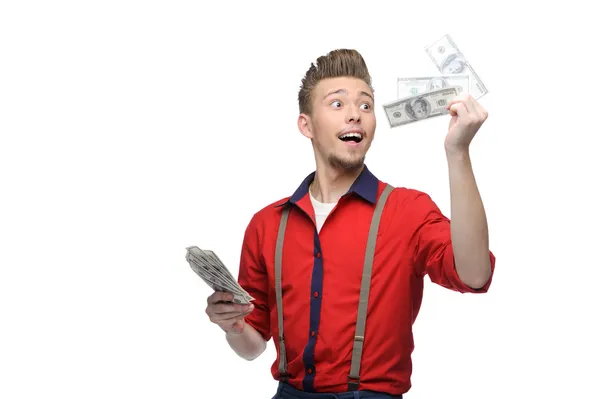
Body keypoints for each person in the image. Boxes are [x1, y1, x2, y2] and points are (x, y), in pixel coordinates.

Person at [205, 49, 496, 398]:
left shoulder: (407, 210)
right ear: (306, 125)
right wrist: (233, 326)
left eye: (366, 105)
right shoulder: (266, 225)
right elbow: (252, 346)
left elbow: (475, 274)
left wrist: (458, 152)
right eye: (338, 104)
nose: (356, 115)